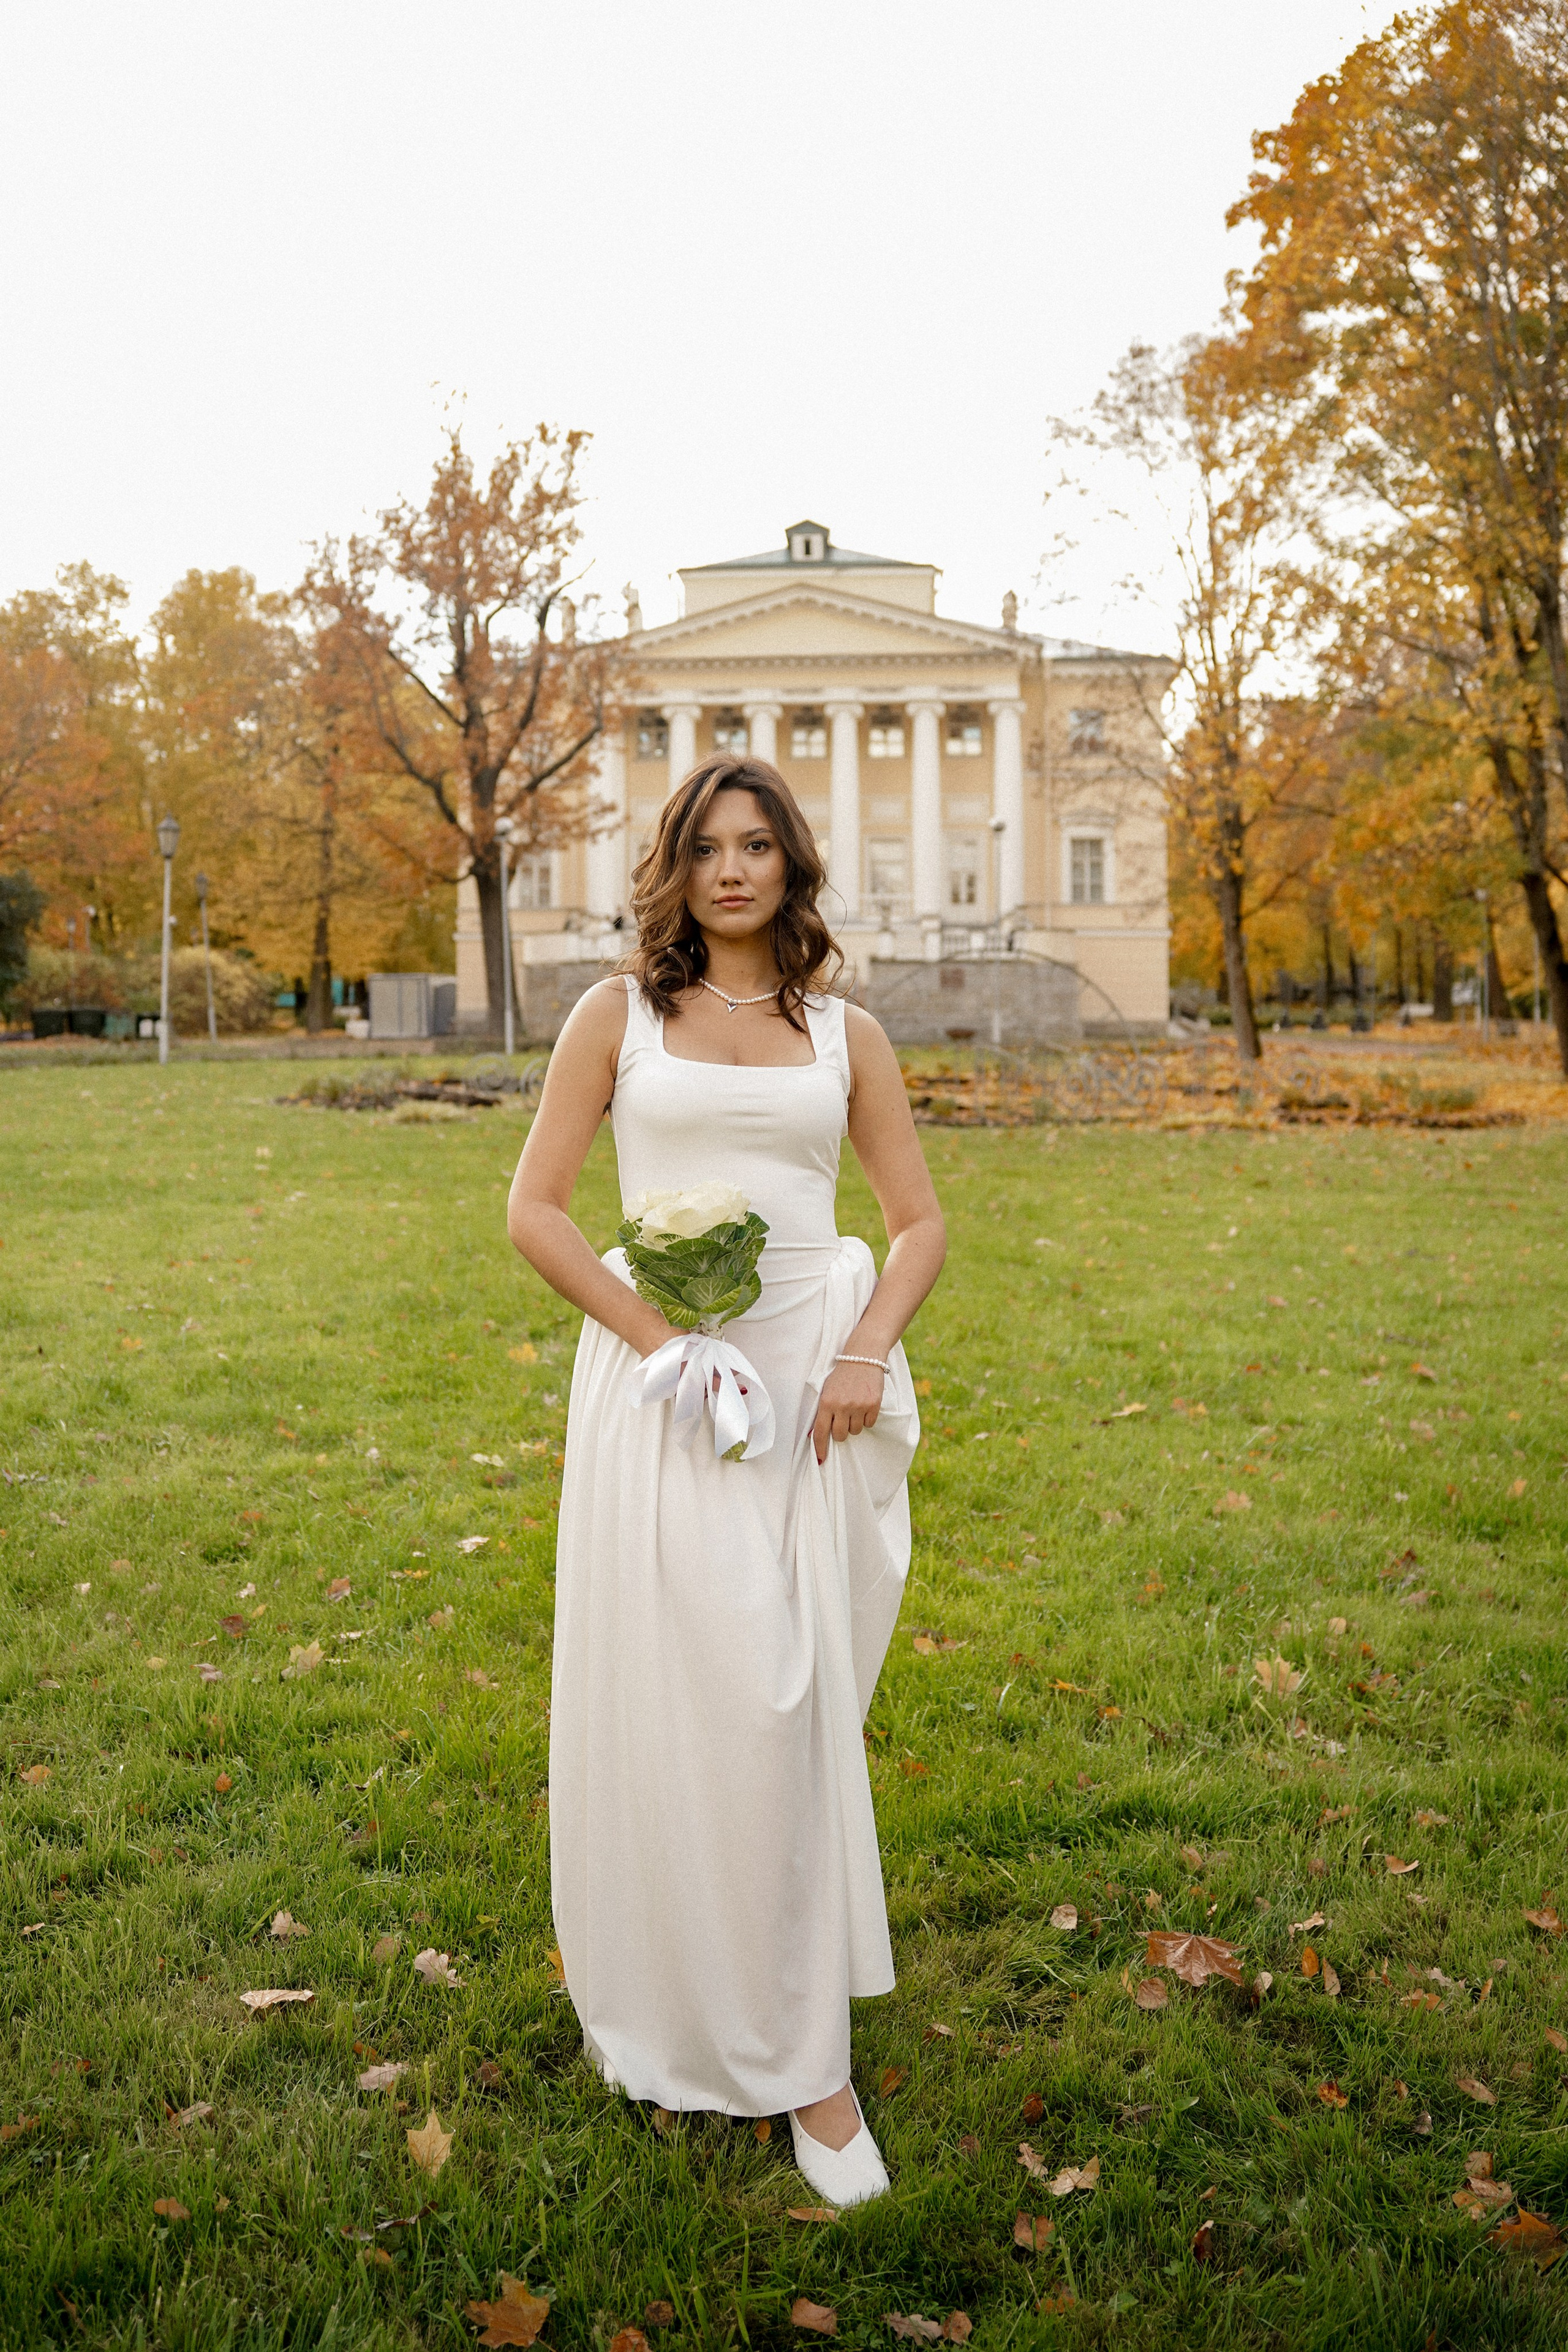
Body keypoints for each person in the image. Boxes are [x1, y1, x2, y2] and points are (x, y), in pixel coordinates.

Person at [507, 753, 945, 2206]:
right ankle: (681, 2005)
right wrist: (665, 1348)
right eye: (707, 847)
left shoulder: (846, 1036)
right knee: (684, 1698)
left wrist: (866, 1353)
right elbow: (537, 1211)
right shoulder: (613, 1014)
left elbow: (918, 1223)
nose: (734, 870)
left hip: (810, 1392)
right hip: (674, 1393)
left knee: (787, 1701)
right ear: (676, 868)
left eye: (758, 845)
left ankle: (808, 2069)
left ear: (792, 864)